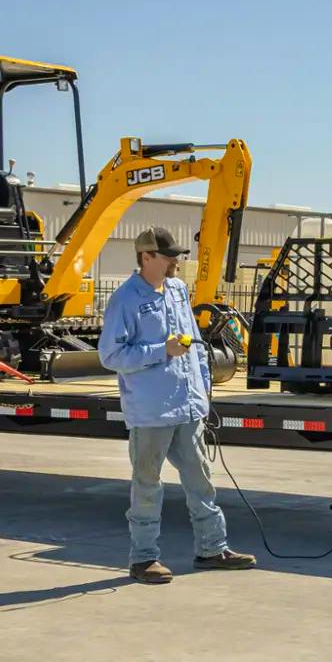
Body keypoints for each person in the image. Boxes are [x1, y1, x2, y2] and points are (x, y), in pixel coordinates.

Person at [99, 227, 255, 584]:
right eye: (169, 256)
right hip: (152, 410)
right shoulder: (126, 299)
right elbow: (111, 354)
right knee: (148, 487)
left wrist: (201, 394)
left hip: (187, 407)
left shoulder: (179, 291)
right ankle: (143, 559)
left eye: (176, 256)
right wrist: (161, 350)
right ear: (146, 257)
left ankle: (213, 548)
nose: (175, 262)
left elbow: (194, 346)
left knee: (201, 482)